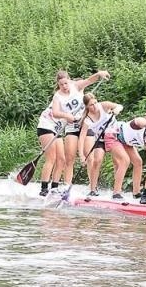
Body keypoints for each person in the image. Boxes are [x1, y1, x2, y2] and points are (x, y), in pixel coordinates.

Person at [35, 68, 109, 196]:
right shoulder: (57, 97)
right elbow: (56, 113)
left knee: (89, 157)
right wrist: (67, 116)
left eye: (66, 83)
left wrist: (99, 74)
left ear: (69, 80)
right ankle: (65, 187)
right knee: (68, 159)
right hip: (70, 127)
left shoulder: (77, 86)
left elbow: (90, 80)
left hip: (85, 124)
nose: (64, 86)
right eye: (61, 84)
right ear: (58, 84)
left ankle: (93, 188)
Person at [79, 93, 122, 196]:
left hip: (114, 136)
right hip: (100, 139)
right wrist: (81, 155)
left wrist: (117, 109)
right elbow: (82, 137)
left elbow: (120, 106)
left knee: (117, 162)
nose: (94, 106)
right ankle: (93, 189)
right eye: (91, 105)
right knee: (97, 161)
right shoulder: (87, 119)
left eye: (95, 103)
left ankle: (117, 191)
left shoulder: (104, 105)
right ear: (87, 107)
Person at [104, 116, 146, 200]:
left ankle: (136, 192)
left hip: (126, 142)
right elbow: (139, 120)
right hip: (114, 135)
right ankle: (116, 193)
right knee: (125, 161)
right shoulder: (143, 122)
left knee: (138, 162)